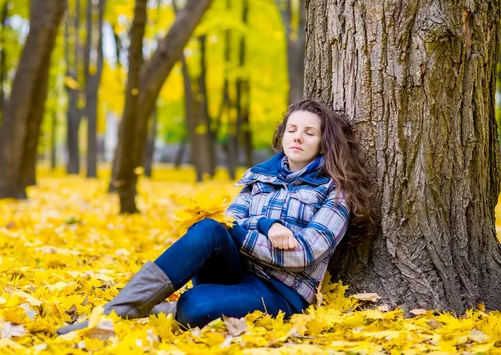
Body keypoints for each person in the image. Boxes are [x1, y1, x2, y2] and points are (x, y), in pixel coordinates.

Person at [57, 100, 372, 334]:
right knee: (208, 228)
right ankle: (113, 315)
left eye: (309, 132)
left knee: (196, 307)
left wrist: (243, 231)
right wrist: (266, 225)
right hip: (233, 270)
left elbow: (304, 254)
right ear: (283, 134)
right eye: (292, 129)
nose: (297, 137)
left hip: (279, 292)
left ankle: (155, 308)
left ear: (323, 142)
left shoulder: (334, 190)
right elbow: (227, 222)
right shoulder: (258, 176)